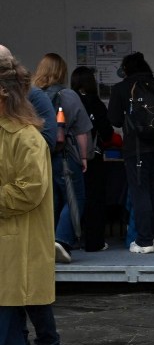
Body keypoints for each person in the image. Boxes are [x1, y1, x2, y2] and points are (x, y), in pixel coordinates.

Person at [0, 50, 53, 345]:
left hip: (14, 248)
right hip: (7, 246)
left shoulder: (26, 138)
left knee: (4, 322)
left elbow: (29, 189)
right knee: (8, 324)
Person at [106, 52, 154, 255]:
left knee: (140, 192)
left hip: (136, 149)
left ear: (126, 70)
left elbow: (115, 119)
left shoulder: (121, 88)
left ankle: (144, 241)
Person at [32, 53, 92, 263]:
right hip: (66, 155)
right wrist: (84, 157)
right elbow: (82, 131)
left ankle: (46, 244)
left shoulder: (32, 96)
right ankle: (62, 240)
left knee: (53, 200)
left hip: (40, 156)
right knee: (75, 197)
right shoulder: (69, 95)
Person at [70, 66, 113, 253]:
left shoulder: (67, 101)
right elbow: (107, 133)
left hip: (69, 157)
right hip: (93, 157)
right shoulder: (96, 103)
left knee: (70, 199)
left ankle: (67, 240)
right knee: (95, 199)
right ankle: (94, 242)